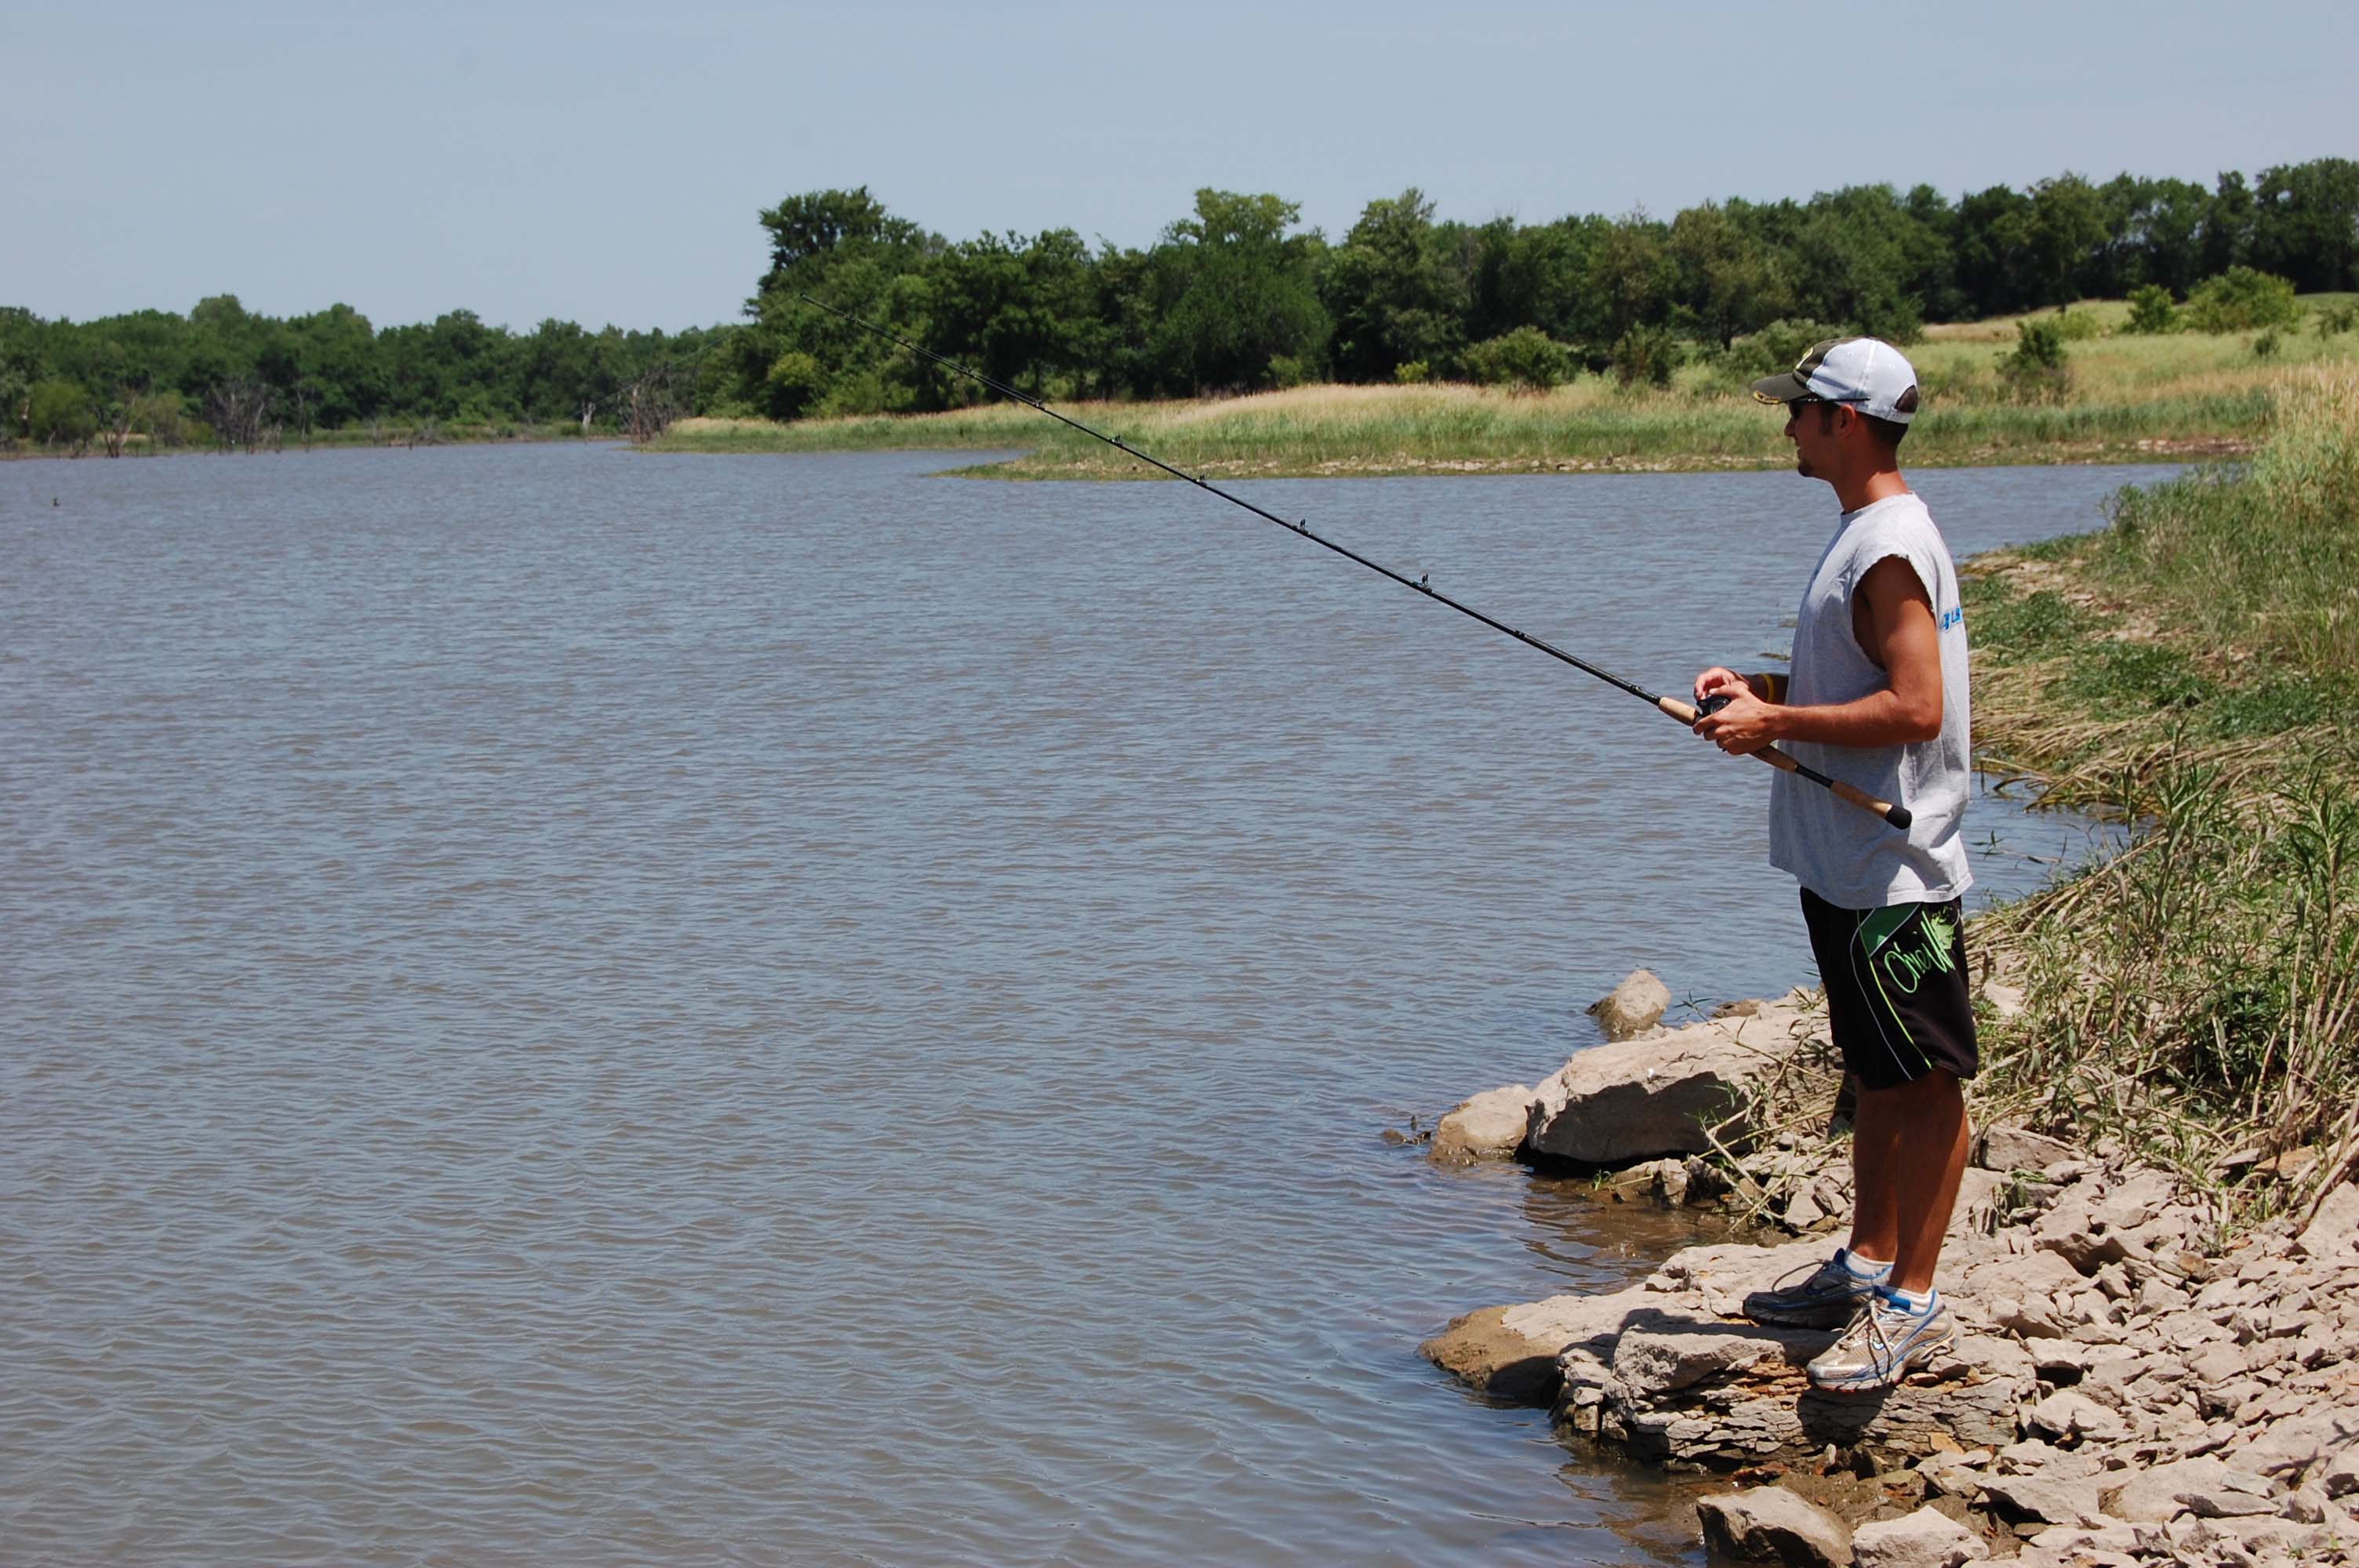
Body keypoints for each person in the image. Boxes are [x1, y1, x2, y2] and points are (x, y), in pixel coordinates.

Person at [1691, 336, 1976, 1393]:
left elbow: (1916, 706)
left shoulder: (1890, 544)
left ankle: (1910, 1299)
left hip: (1897, 873)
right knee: (1878, 1075)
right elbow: (1854, 677)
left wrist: (1780, 720)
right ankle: (1863, 1265)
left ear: (1845, 422)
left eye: (1801, 412)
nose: (1787, 427)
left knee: (1927, 1084)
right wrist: (1758, 689)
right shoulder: (1868, 533)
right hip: (1848, 871)